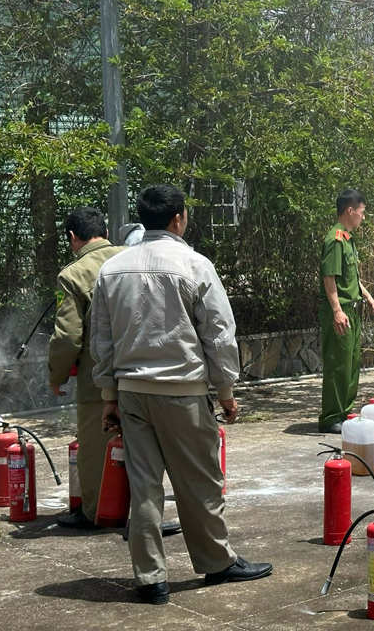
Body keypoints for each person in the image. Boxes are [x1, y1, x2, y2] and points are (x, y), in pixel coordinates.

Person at [91, 184, 271, 605]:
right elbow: (219, 334)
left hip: (132, 393)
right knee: (201, 482)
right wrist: (225, 390)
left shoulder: (112, 269)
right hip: (183, 392)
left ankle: (151, 580)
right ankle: (216, 563)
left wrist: (108, 396)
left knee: (145, 486)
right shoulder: (195, 265)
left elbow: (102, 339)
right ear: (178, 219)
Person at [48, 207, 123, 529]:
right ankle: (143, 512)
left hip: (99, 381)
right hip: (147, 375)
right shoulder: (132, 259)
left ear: (72, 237)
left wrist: (57, 376)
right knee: (143, 448)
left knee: (97, 449)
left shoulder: (74, 275)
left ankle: (97, 513)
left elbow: (68, 336)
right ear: (105, 232)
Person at [318, 189, 374, 434]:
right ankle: (330, 416)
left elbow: (349, 275)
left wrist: (365, 293)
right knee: (338, 365)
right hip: (340, 311)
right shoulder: (335, 240)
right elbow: (329, 276)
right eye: (361, 212)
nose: (363, 217)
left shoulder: (348, 239)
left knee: (352, 363)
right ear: (350, 210)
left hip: (352, 310)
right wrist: (336, 310)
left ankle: (344, 412)